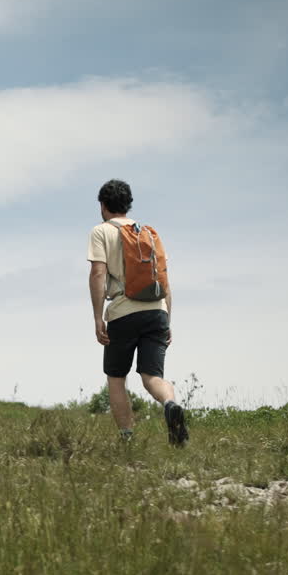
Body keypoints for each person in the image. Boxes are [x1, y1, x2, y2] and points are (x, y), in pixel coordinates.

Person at [86, 179, 188, 446]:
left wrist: (98, 318)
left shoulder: (101, 232)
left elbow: (97, 273)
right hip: (157, 311)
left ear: (103, 205)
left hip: (123, 312)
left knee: (117, 378)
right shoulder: (149, 234)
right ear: (128, 205)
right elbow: (164, 280)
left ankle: (127, 438)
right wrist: (167, 321)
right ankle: (169, 404)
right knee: (152, 377)